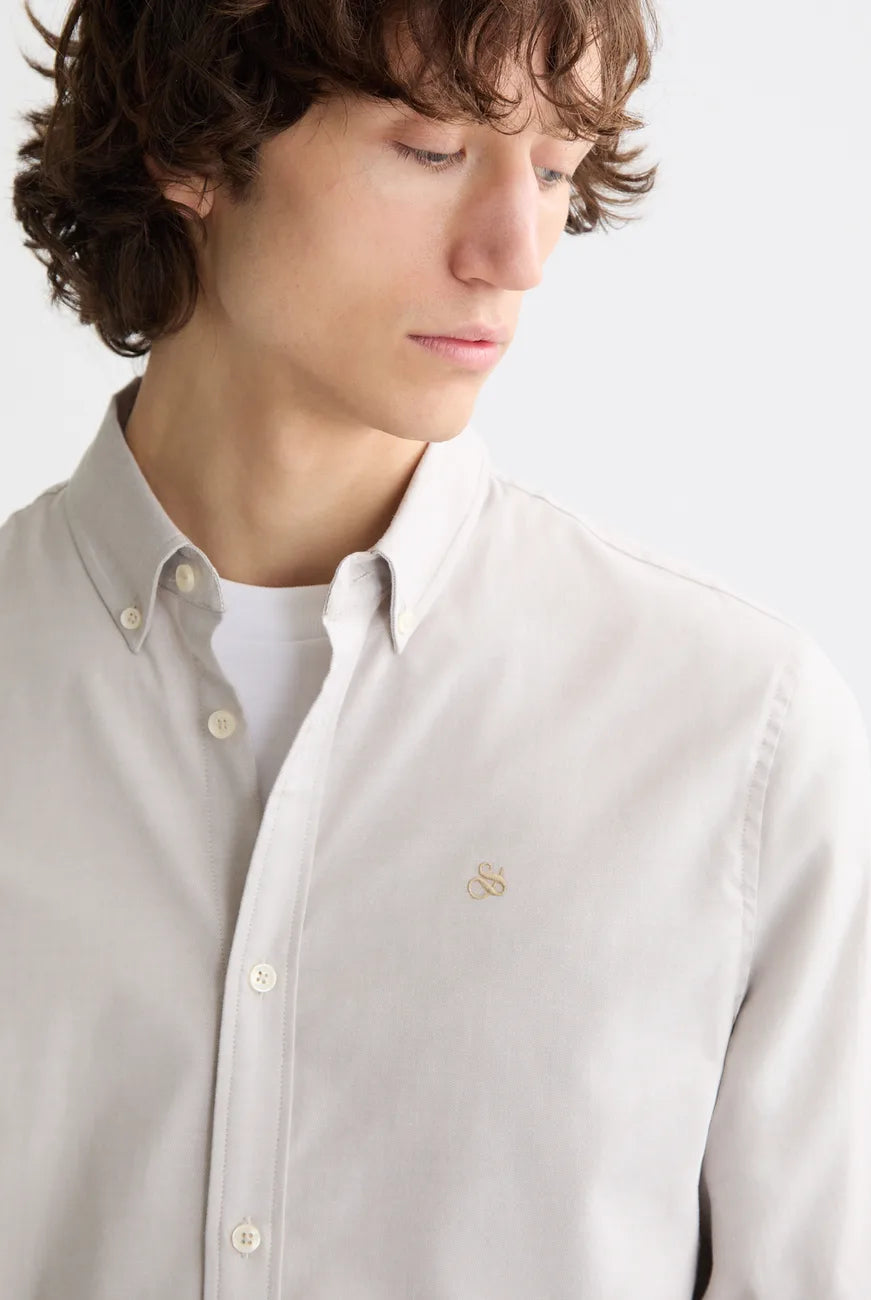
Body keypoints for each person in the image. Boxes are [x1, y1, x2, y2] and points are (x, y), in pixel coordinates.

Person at [2, 1, 869, 1297]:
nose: (517, 253)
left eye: (558, 170)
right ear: (187, 147)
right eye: (432, 150)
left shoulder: (739, 732)